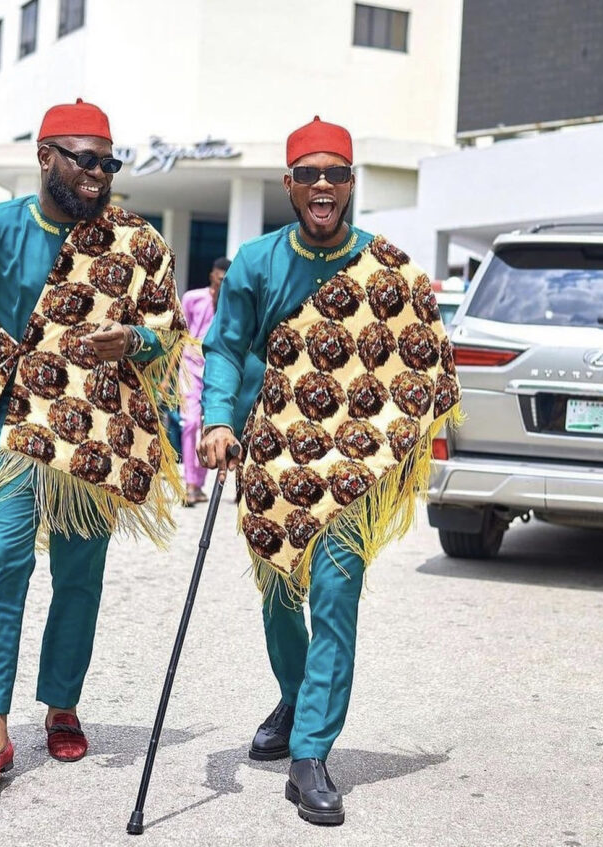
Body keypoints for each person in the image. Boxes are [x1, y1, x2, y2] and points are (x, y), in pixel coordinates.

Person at [199, 116, 462, 825]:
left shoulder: (388, 266)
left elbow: (422, 350)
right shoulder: (255, 262)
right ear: (289, 184)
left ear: (350, 185)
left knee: (336, 594)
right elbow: (223, 347)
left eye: (335, 174)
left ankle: (312, 750)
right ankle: (295, 693)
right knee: (281, 595)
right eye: (309, 174)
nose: (323, 185)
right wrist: (218, 418)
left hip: (350, 462)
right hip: (273, 457)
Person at [0, 98, 190, 787]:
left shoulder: (133, 242)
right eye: (85, 160)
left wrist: (133, 339)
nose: (98, 174)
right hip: (12, 425)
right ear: (46, 157)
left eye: (109, 162)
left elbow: (169, 329)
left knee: (80, 575)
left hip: (96, 431)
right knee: (3, 561)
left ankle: (62, 704)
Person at [179, 257, 230, 506]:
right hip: (190, 365)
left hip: (216, 369)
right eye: (218, 276)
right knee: (189, 424)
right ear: (212, 275)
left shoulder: (231, 302)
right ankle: (190, 483)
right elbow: (181, 333)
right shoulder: (191, 297)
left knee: (207, 426)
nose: (221, 281)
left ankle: (198, 483)